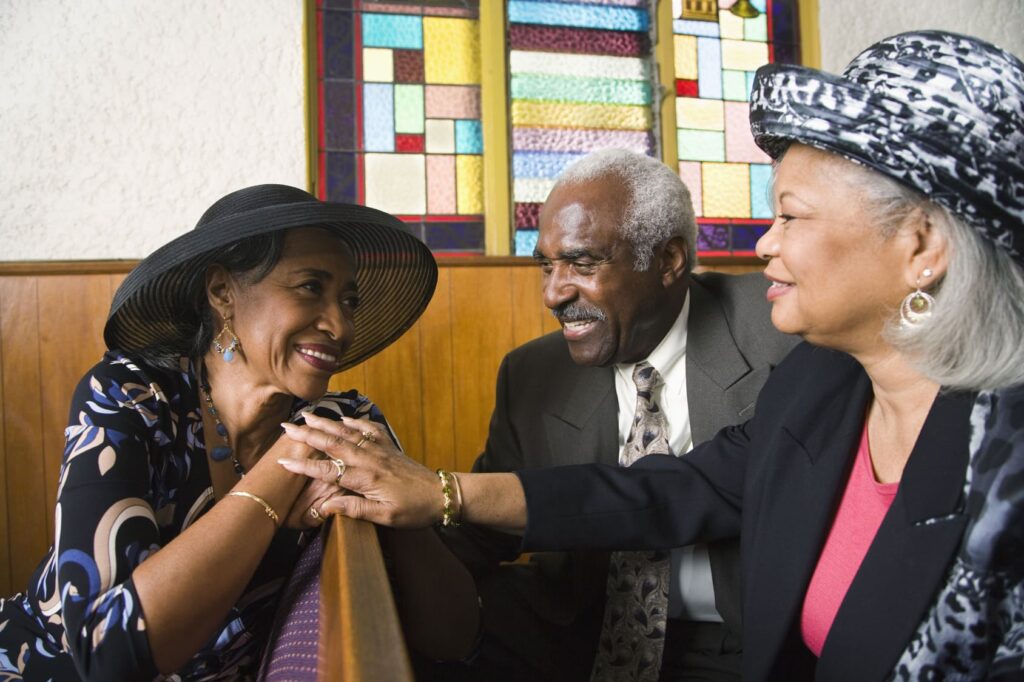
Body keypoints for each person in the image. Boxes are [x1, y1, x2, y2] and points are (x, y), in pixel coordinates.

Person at [278, 31, 1024, 681]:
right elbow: (667, 492)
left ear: (921, 246)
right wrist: (438, 495)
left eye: (791, 216)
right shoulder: (820, 385)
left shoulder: (1000, 454)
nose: (764, 244)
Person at [0, 184, 477, 680]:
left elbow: (456, 637)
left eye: (348, 300)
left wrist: (402, 506)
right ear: (222, 293)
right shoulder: (130, 395)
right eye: (310, 287)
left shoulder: (344, 422)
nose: (340, 326)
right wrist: (288, 460)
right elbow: (107, 654)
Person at [426, 149, 796, 681]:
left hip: (742, 646)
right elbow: (482, 534)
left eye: (582, 263)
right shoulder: (532, 373)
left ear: (668, 261)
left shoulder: (782, 331)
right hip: (583, 639)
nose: (553, 294)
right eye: (546, 265)